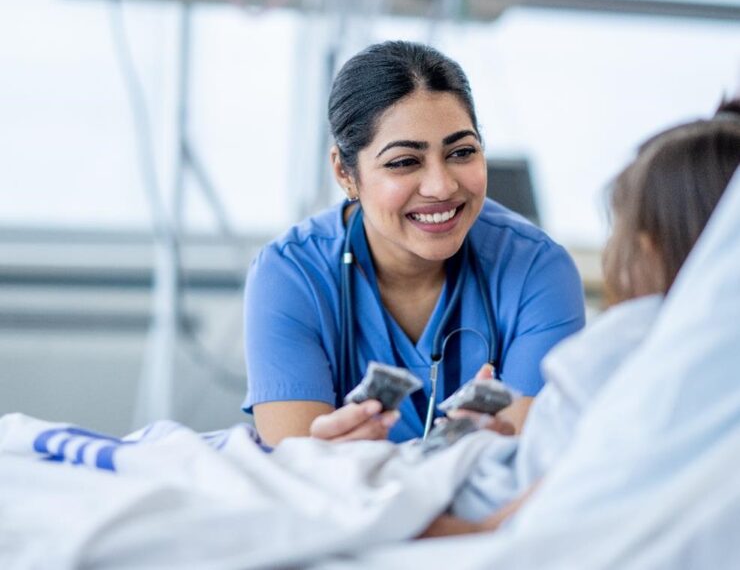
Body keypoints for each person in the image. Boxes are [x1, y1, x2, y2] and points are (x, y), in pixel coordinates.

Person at [422, 97, 740, 537]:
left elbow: (543, 509)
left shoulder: (630, 341)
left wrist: (462, 455)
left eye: (616, 231)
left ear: (645, 248)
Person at [243, 41, 585, 446]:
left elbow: (528, 470)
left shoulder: (538, 270)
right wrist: (320, 460)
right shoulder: (290, 275)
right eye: (404, 161)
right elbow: (295, 473)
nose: (441, 186)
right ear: (344, 172)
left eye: (461, 152)